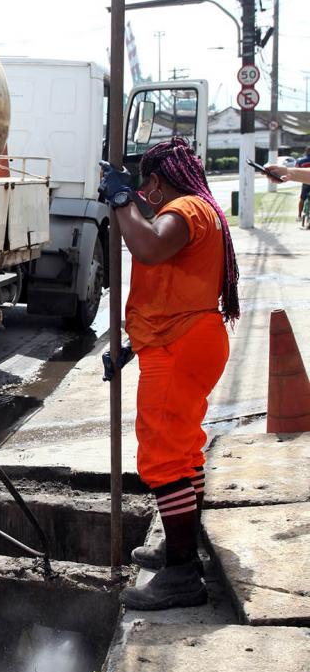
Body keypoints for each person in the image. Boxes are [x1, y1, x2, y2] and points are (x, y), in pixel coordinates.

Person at [100, 137, 239, 611]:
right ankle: (181, 548)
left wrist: (121, 201)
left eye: (145, 189)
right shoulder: (198, 208)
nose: (145, 196)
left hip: (180, 347)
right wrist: (131, 346)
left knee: (161, 458)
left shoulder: (184, 210)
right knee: (183, 450)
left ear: (157, 181)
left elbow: (149, 247)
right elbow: (168, 290)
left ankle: (181, 576)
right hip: (184, 339)